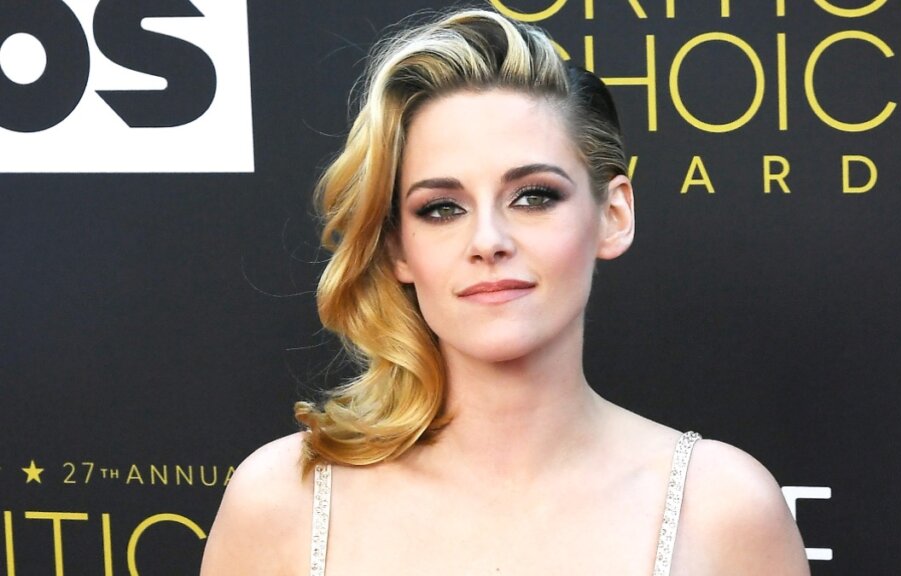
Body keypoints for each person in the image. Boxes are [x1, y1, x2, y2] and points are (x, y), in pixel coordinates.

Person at [200, 8, 810, 576]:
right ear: (397, 249)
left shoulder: (723, 509)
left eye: (534, 196)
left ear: (613, 214)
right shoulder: (284, 501)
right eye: (441, 208)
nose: (488, 240)